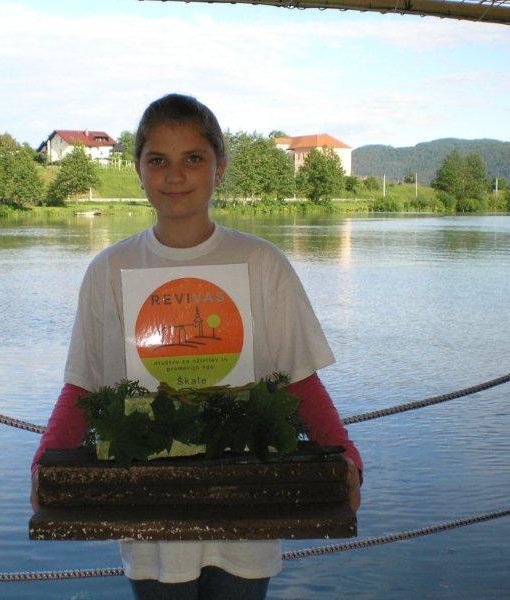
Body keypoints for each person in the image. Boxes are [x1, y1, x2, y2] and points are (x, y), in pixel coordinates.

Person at [31, 93, 362, 600]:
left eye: (193, 158)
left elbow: (300, 379)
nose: (175, 175)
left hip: (248, 507)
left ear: (219, 167)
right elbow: (84, 384)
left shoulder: (264, 263)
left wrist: (346, 455)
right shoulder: (107, 271)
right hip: (148, 512)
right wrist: (44, 460)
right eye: (157, 160)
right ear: (138, 170)